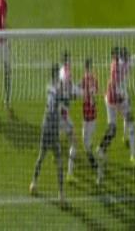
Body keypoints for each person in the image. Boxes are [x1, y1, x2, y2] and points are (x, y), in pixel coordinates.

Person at [97, 47, 135, 185]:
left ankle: (133, 154)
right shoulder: (116, 68)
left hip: (117, 99)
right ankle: (101, 148)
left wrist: (133, 58)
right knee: (113, 130)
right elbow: (117, 85)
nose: (125, 58)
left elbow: (131, 60)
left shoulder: (122, 64)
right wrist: (124, 96)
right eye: (124, 56)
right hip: (112, 100)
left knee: (129, 122)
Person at [29, 64, 65, 202]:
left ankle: (34, 183)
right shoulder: (57, 90)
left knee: (41, 156)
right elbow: (60, 102)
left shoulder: (49, 87)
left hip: (46, 126)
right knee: (59, 161)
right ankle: (60, 194)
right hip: (52, 129)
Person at [58, 51, 80, 182]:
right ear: (66, 61)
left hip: (57, 112)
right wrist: (78, 92)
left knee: (59, 135)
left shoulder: (62, 72)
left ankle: (55, 152)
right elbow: (69, 93)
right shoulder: (66, 74)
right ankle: (69, 173)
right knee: (75, 142)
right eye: (69, 60)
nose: (71, 61)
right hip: (63, 115)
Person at [81, 58, 99, 170]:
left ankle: (93, 161)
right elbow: (95, 92)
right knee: (89, 137)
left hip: (87, 113)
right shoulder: (94, 79)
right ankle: (91, 151)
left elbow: (82, 92)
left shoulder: (84, 79)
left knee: (85, 141)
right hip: (93, 114)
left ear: (85, 67)